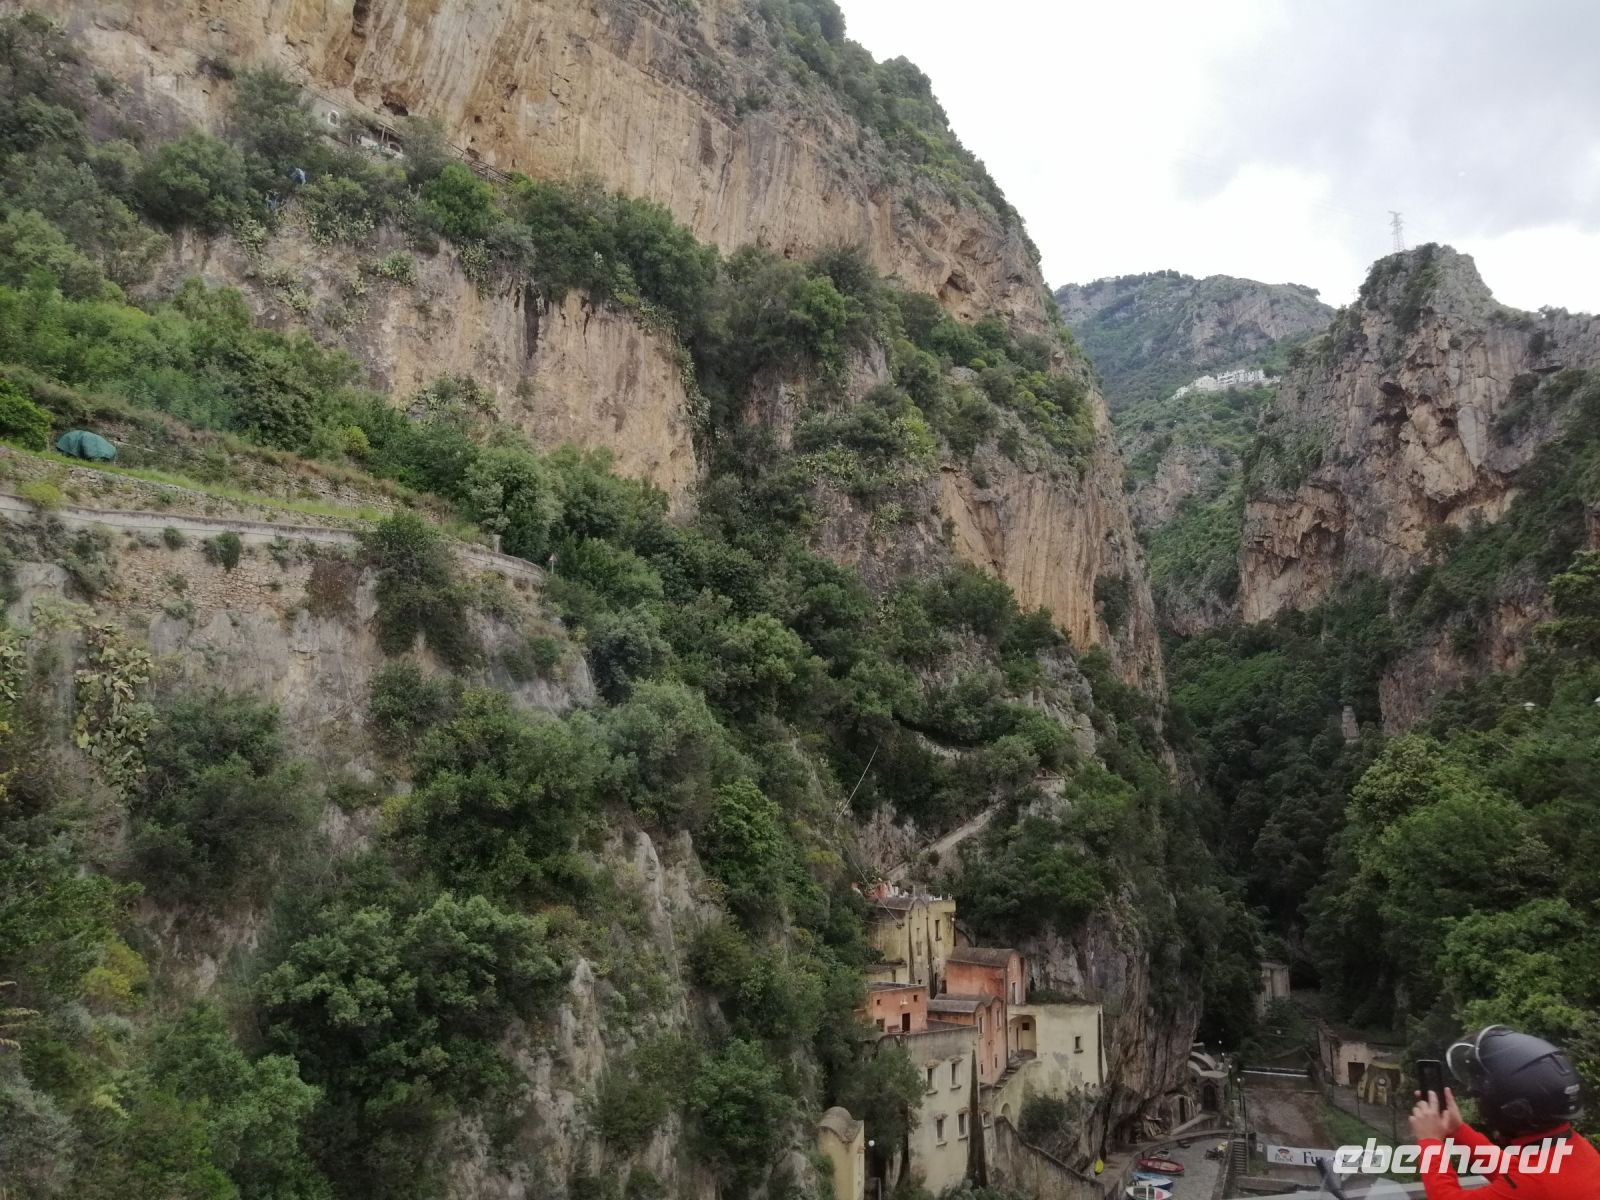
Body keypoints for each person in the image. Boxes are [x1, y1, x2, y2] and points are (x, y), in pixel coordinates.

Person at [1408, 1025, 1600, 1197]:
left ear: (1514, 1110)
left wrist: (1430, 1141)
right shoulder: (1578, 1150)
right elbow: (1514, 1172)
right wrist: (1457, 1130)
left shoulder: (1536, 1183)